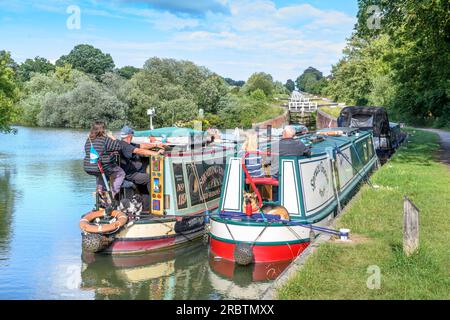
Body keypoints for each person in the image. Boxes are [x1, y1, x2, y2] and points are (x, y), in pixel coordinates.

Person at [83, 121, 125, 198]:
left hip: (88, 167)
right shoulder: (105, 139)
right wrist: (112, 138)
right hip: (100, 166)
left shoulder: (88, 140)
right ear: (103, 129)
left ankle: (100, 195)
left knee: (101, 175)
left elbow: (88, 151)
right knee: (120, 173)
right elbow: (118, 147)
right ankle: (112, 195)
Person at [118, 126, 164, 194]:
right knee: (152, 178)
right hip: (130, 174)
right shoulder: (124, 145)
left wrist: (156, 145)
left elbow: (142, 146)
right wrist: (156, 153)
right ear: (130, 135)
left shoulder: (127, 144)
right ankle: (156, 197)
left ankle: (146, 201)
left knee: (145, 177)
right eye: (132, 135)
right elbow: (139, 151)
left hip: (135, 172)